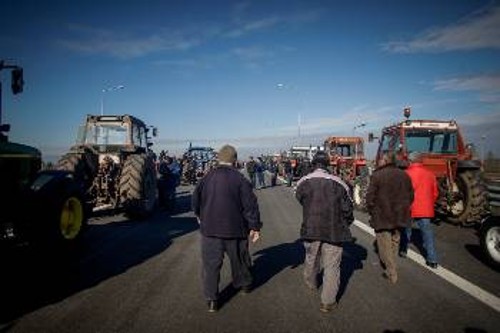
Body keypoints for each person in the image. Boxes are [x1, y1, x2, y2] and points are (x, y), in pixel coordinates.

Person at [192, 145, 262, 313]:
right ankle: (244, 285)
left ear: (218, 159)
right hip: (235, 230)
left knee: (210, 266)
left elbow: (195, 200)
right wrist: (254, 227)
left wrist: (199, 216)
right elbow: (250, 206)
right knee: (240, 260)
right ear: (235, 160)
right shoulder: (240, 179)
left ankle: (212, 300)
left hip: (210, 230)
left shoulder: (206, 178)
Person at [295, 151, 354, 313]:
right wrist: (347, 221)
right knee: (332, 265)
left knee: (311, 258)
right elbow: (348, 208)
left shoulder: (304, 181)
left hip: (311, 227)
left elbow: (299, 198)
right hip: (334, 229)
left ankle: (311, 283)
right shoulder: (339, 182)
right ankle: (327, 302)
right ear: (328, 164)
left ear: (314, 164)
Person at [366, 153, 414, 284]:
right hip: (400, 214)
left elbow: (370, 197)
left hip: (383, 215)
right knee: (395, 241)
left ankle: (391, 271)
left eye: (381, 159)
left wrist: (371, 210)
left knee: (384, 243)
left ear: (385, 161)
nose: (379, 161)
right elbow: (411, 195)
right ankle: (392, 264)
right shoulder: (404, 175)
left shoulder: (377, 175)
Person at [401, 152, 440, 269]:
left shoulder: (406, 174)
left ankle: (403, 250)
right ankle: (432, 259)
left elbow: (402, 192)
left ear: (410, 161)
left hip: (409, 208)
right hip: (425, 208)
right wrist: (429, 203)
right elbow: (435, 193)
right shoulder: (430, 174)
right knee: (428, 234)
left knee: (406, 231)